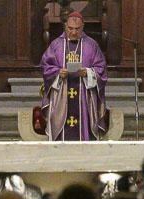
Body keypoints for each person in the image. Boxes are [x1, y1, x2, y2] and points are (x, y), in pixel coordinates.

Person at [40, 11, 108, 141]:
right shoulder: (56, 45)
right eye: (70, 29)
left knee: (84, 127)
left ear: (83, 27)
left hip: (84, 96)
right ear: (65, 26)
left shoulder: (91, 45)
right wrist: (58, 73)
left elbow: (101, 69)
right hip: (61, 95)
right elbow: (45, 67)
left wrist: (88, 72)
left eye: (77, 29)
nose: (74, 32)